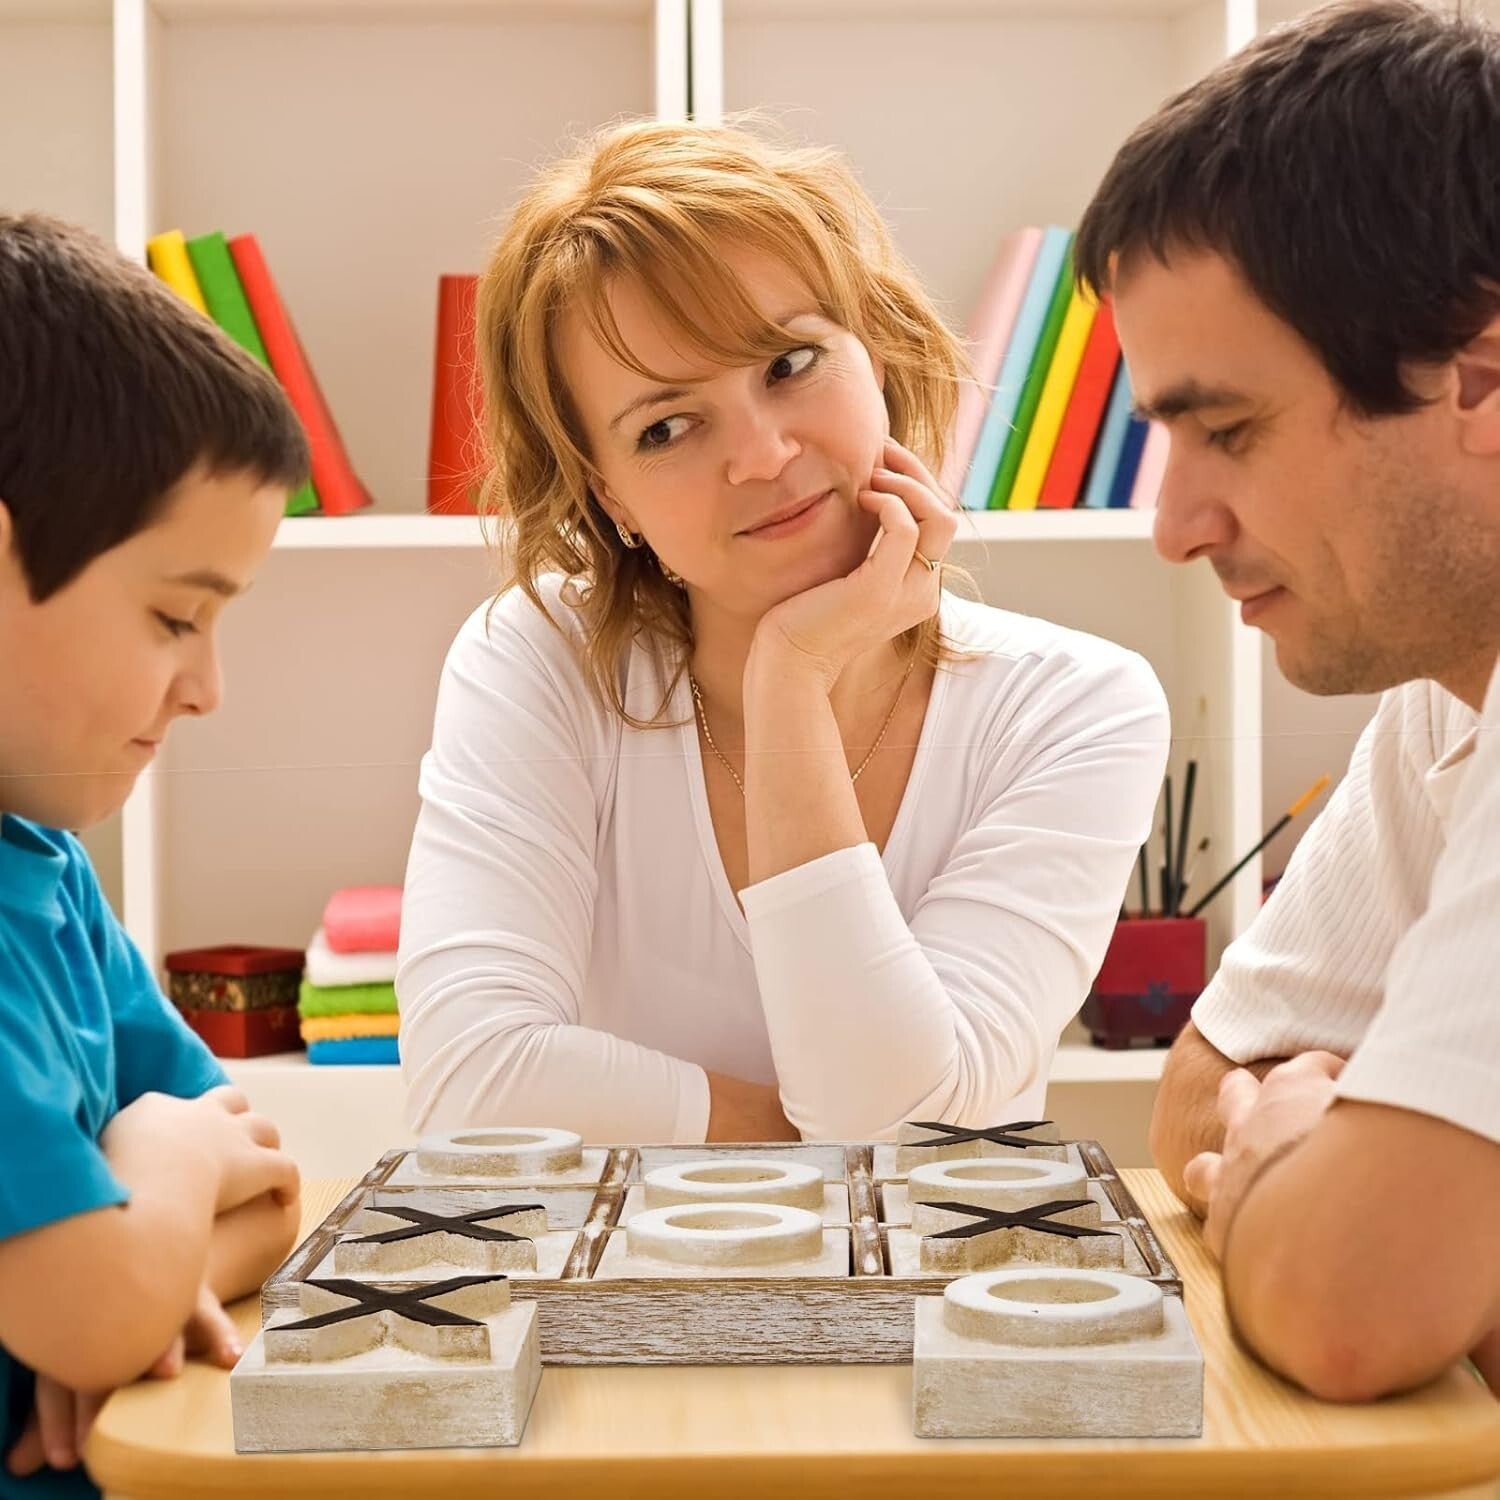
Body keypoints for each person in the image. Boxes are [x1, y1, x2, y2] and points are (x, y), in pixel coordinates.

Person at [396, 119, 1170, 1145]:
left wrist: (791, 679)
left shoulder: (1076, 706)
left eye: (790, 363)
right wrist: (816, 1147)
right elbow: (466, 1084)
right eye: (665, 427)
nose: (761, 455)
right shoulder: (541, 660)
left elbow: (906, 1126)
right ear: (610, 497)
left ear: (876, 354)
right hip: (627, 1264)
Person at [1075, 0, 1500, 1401]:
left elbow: (1345, 1310)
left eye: (1230, 430)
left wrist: (1358, 1204)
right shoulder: (1450, 691)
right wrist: (1349, 1193)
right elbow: (1206, 1084)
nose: (1175, 526)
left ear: (1482, 380)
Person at [0, 213, 308, 1493]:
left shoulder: (48, 873)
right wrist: (164, 1167)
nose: (208, 688)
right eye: (179, 616)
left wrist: (144, 1272)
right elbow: (99, 1308)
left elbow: (269, 1189)